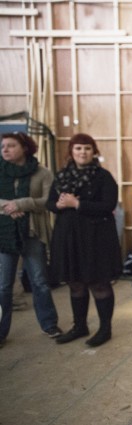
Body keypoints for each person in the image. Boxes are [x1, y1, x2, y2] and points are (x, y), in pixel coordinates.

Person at [47, 133, 122, 347]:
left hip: (95, 239)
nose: (83, 152)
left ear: (94, 152)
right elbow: (50, 202)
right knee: (75, 282)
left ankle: (105, 329)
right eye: (78, 148)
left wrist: (78, 204)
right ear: (71, 152)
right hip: (69, 238)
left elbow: (108, 205)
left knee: (99, 283)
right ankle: (80, 326)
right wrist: (58, 205)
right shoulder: (62, 176)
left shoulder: (103, 176)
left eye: (87, 148)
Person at [0, 132, 63, 348]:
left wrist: (21, 204)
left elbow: (49, 200)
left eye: (11, 145)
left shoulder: (41, 172)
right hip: (5, 235)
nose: (5, 150)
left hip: (32, 233)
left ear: (24, 148)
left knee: (40, 281)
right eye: (3, 146)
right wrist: (8, 207)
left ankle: (49, 324)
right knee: (3, 286)